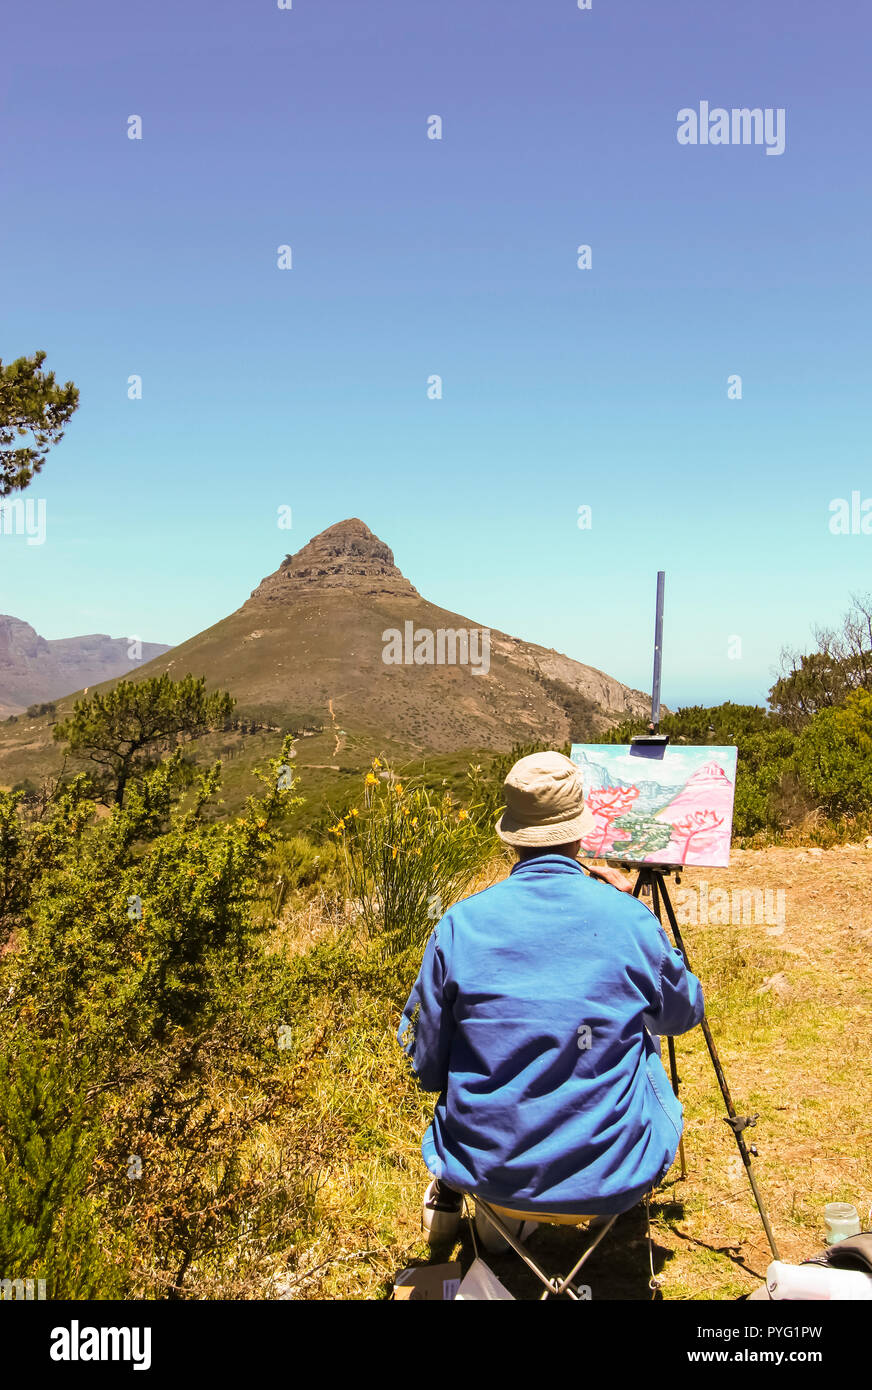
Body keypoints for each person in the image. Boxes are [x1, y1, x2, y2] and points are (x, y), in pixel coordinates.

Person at [397, 750, 705, 1245]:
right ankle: (613, 1212)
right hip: (614, 1175)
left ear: (513, 834)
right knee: (640, 1038)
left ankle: (462, 1203)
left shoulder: (459, 925)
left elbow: (426, 1064)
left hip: (489, 1174)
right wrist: (631, 920)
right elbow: (683, 1012)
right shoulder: (627, 920)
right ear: (581, 831)